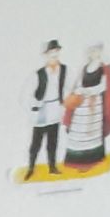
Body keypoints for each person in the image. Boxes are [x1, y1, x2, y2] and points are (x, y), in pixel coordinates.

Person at [62, 44, 110, 171]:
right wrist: (78, 91)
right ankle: (76, 160)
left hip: (95, 104)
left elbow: (103, 86)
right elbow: (79, 83)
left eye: (96, 51)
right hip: (82, 103)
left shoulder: (102, 67)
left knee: (91, 131)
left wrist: (89, 91)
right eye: (91, 51)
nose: (93, 53)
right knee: (79, 130)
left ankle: (92, 160)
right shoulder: (85, 67)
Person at [24, 40, 66, 181]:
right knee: (36, 142)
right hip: (42, 110)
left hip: (55, 108)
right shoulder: (39, 74)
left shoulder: (63, 70)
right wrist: (35, 105)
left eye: (56, 52)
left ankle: (52, 167)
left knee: (53, 141)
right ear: (46, 55)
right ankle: (31, 167)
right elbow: (26, 94)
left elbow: (68, 87)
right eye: (51, 52)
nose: (54, 55)